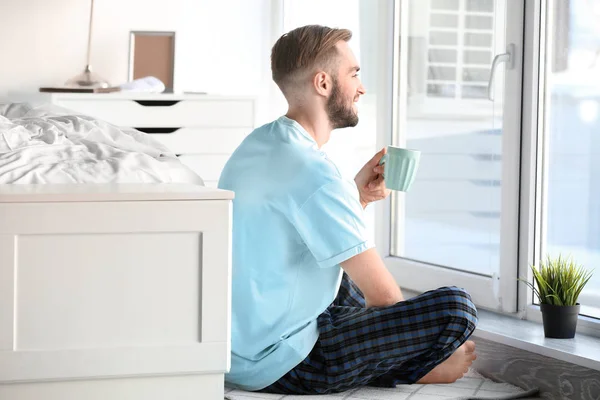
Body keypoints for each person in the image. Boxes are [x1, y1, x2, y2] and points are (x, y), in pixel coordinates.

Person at [218, 25, 478, 395]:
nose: (361, 87)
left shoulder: (259, 144)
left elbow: (292, 234)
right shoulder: (315, 173)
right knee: (456, 306)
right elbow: (385, 300)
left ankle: (391, 362)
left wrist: (357, 196)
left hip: (235, 349)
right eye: (354, 74)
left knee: (339, 283)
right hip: (283, 364)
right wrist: (418, 348)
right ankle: (417, 371)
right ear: (323, 83)